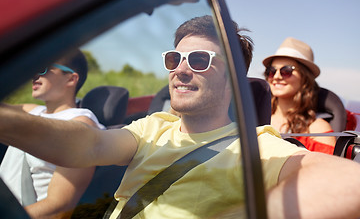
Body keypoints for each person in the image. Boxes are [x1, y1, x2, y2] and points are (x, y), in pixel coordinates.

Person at [1, 16, 360, 219]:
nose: (181, 70)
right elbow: (88, 144)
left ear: (232, 81)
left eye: (200, 60)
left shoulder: (256, 147)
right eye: (174, 59)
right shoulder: (154, 126)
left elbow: (350, 183)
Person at [0, 49, 104, 218]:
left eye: (43, 68)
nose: (35, 74)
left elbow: (58, 206)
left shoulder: (81, 125)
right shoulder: (34, 110)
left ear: (71, 78)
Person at [263, 37, 336, 154]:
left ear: (305, 78)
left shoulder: (318, 131)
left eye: (286, 71)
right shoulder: (252, 117)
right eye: (271, 71)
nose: (276, 76)